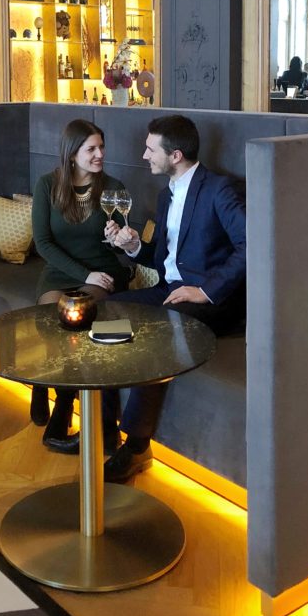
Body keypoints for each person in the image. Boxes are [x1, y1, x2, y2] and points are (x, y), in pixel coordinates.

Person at [102, 114, 246, 483]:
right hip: (170, 291)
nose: (144, 155)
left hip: (211, 302)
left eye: (150, 149)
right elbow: (166, 259)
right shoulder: (166, 194)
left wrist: (205, 290)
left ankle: (137, 448)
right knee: (107, 313)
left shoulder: (219, 190)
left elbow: (252, 243)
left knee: (159, 329)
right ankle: (103, 430)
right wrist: (134, 246)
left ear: (175, 155)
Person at [30, 118, 130, 453]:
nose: (100, 154)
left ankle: (62, 403)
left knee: (77, 313)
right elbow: (43, 243)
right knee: (51, 315)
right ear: (72, 153)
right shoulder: (47, 185)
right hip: (61, 272)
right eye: (91, 149)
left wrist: (118, 239)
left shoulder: (113, 187)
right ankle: (42, 383)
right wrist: (82, 274)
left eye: (102, 147)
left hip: (102, 272)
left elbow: (122, 247)